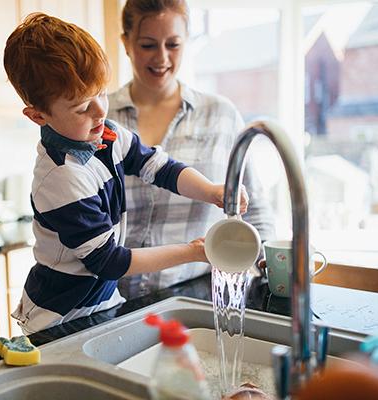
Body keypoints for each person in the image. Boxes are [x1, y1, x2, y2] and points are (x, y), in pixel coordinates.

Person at [2, 13, 249, 334]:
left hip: (102, 304)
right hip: (59, 318)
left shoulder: (105, 134)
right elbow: (110, 262)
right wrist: (193, 252)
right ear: (37, 115)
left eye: (101, 94)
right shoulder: (61, 178)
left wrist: (212, 191)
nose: (100, 111)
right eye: (81, 107)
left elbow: (161, 168)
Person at [108, 0, 275, 299]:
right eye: (148, 45)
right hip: (112, 299)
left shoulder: (221, 115)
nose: (162, 57)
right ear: (126, 42)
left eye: (173, 44)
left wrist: (270, 270)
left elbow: (256, 210)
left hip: (198, 294)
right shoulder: (100, 119)